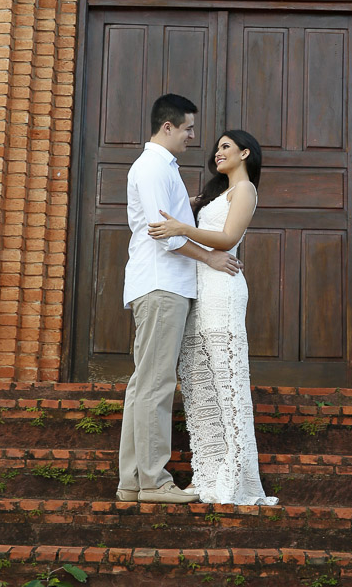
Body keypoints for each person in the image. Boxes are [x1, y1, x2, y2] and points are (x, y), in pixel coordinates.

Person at [117, 94, 242, 505]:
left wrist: (188, 211)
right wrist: (209, 256)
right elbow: (163, 234)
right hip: (162, 285)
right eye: (188, 128)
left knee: (144, 385)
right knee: (155, 385)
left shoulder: (160, 167)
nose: (193, 136)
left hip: (160, 284)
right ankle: (153, 481)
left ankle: (133, 481)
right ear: (167, 127)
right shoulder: (153, 167)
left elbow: (169, 222)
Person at [148, 129, 278, 506]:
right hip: (199, 290)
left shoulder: (245, 191)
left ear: (245, 153)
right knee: (201, 384)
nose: (217, 152)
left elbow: (226, 237)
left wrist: (182, 227)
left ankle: (234, 476)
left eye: (226, 147)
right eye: (217, 147)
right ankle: (208, 474)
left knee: (226, 381)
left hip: (223, 289)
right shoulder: (216, 195)